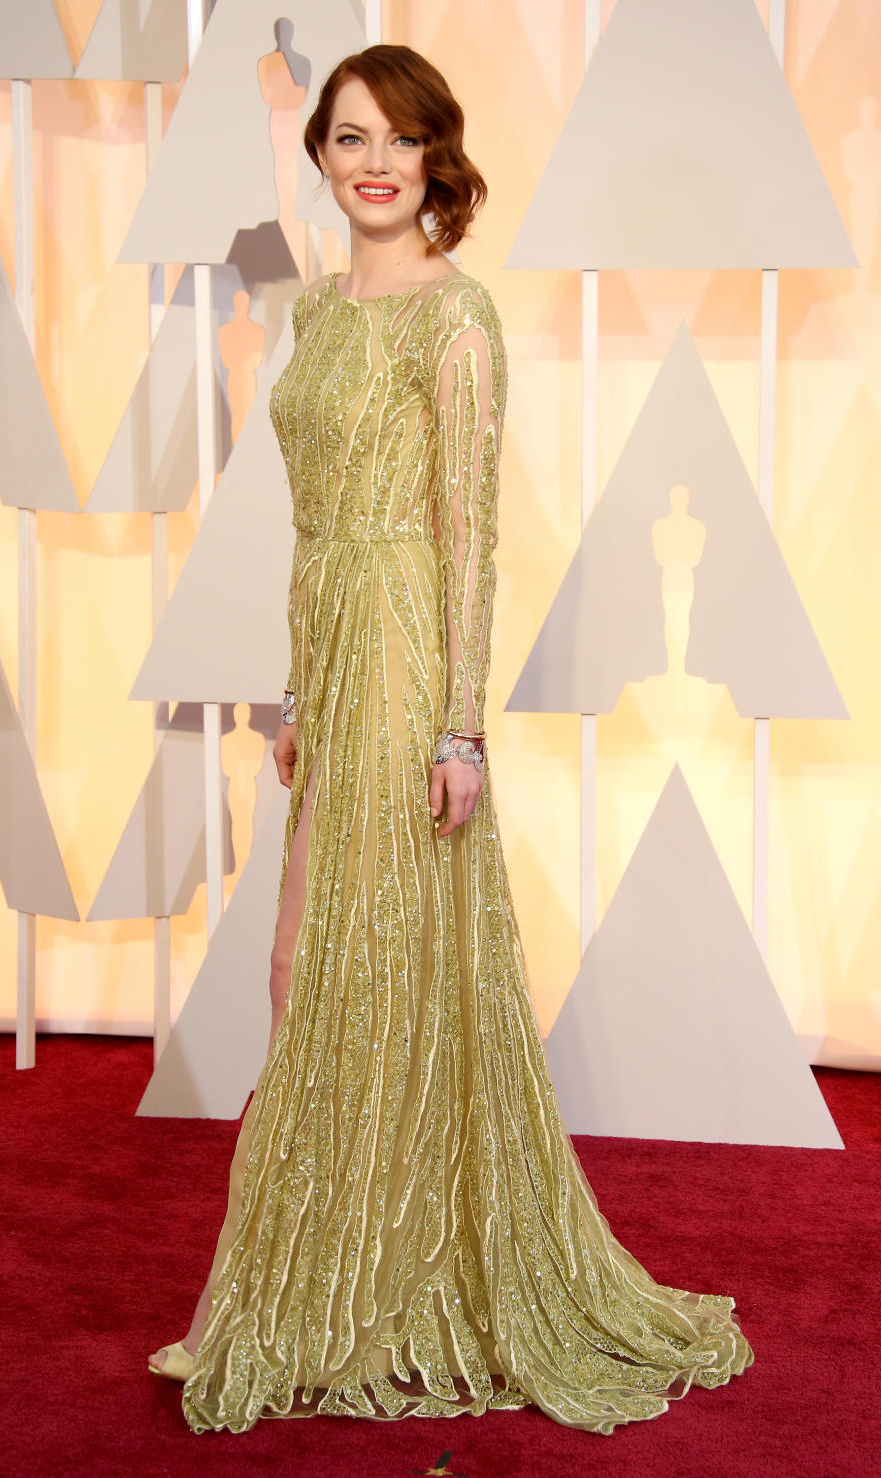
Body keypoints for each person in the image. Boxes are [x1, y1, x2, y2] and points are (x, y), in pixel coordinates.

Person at [149, 43, 754, 1434]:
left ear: (434, 160)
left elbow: (468, 531)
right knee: (307, 959)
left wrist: (460, 723)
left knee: (375, 953)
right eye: (350, 135)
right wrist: (305, 689)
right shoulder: (313, 317)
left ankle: (399, 1266)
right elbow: (310, 534)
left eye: (399, 139)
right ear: (320, 150)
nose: (372, 160)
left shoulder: (456, 317)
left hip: (414, 646)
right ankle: (321, 1275)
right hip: (339, 648)